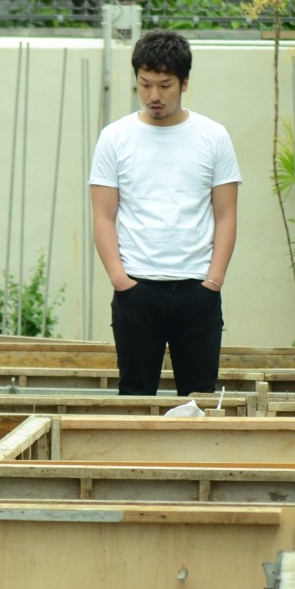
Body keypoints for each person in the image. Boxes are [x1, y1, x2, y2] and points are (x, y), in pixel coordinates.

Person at [89, 29, 241, 396]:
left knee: (199, 399)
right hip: (136, 289)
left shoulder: (213, 136)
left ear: (185, 82)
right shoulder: (115, 137)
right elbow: (103, 215)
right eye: (145, 84)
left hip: (197, 290)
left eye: (165, 85)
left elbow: (226, 215)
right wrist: (120, 280)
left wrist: (213, 283)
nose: (154, 96)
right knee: (134, 398)